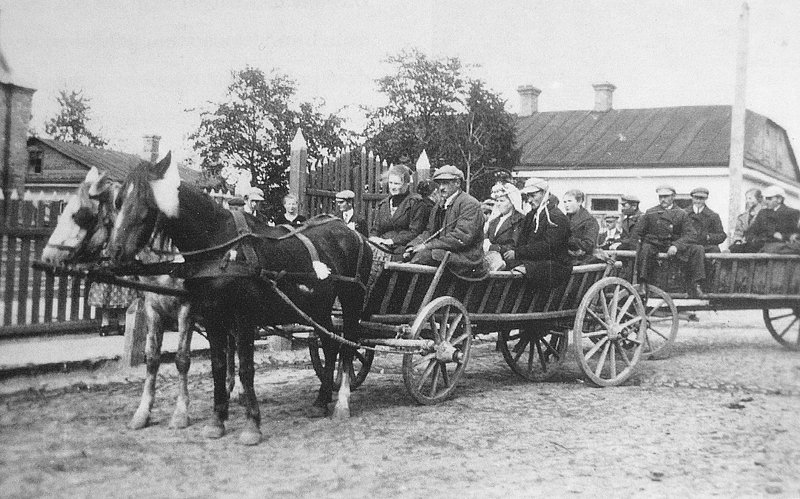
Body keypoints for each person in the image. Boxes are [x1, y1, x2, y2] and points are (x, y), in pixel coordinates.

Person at [404, 165, 485, 275]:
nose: (441, 187)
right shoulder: (439, 205)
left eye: (446, 183)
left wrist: (426, 246)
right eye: (440, 183)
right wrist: (413, 245)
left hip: (466, 258)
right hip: (446, 252)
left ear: (457, 183)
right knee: (406, 255)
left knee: (423, 257)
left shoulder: (469, 204)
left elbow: (461, 237)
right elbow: (429, 232)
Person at [632, 185, 706, 297]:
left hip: (673, 246)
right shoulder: (651, 212)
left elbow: (691, 234)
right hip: (656, 245)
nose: (663, 199)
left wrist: (676, 245)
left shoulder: (681, 213)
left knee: (698, 249)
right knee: (646, 248)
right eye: (661, 197)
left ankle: (696, 285)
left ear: (673, 197)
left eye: (666, 197)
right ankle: (643, 283)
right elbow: (638, 232)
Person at [504, 178, 572, 289]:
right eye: (528, 196)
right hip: (534, 262)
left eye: (533, 195)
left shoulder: (555, 217)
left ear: (544, 194)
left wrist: (518, 253)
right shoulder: (531, 216)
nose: (529, 200)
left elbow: (549, 247)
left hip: (553, 266)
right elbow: (521, 241)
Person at [368, 164, 425, 258]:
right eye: (390, 183)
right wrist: (373, 238)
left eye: (397, 184)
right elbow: (376, 229)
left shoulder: (415, 203)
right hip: (382, 246)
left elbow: (415, 232)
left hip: (403, 248)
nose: (392, 187)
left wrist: (392, 241)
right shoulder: (384, 204)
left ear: (407, 184)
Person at [741, 185, 800, 253]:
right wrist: (752, 239)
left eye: (769, 199)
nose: (766, 201)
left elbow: (794, 235)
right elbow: (752, 230)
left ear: (779, 199)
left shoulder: (792, 213)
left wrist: (781, 236)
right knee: (735, 249)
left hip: (779, 250)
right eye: (766, 198)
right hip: (759, 247)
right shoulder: (762, 212)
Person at [483, 182, 524, 271]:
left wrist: (492, 247)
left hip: (509, 265)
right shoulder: (494, 221)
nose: (498, 204)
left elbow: (514, 245)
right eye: (497, 201)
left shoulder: (519, 220)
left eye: (502, 201)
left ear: (512, 202)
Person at [562, 189, 599, 264]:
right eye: (565, 202)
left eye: (569, 201)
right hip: (565, 258)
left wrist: (567, 240)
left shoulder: (590, 221)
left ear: (579, 202)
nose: (566, 205)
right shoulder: (564, 220)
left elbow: (588, 245)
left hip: (582, 261)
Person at [685, 187, 726, 252]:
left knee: (715, 250)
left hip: (706, 247)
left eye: (701, 199)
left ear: (706, 198)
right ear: (692, 198)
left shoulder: (713, 216)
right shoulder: (684, 214)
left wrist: (708, 237)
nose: (698, 201)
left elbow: (721, 235)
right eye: (696, 198)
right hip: (688, 247)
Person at [729, 188, 763, 253]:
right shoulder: (742, 217)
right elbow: (738, 232)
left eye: (750, 198)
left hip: (759, 244)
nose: (747, 201)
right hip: (745, 244)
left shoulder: (764, 214)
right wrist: (738, 240)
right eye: (746, 198)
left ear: (758, 199)